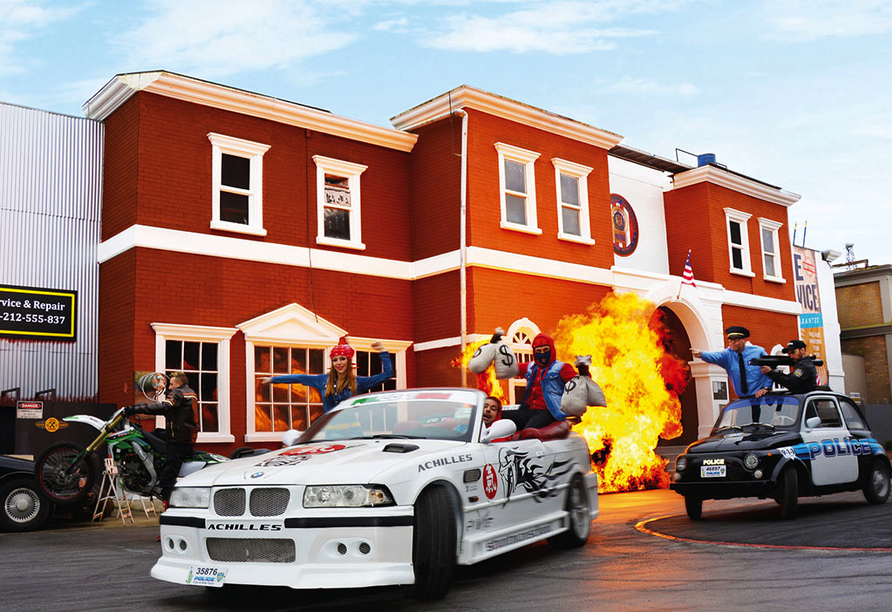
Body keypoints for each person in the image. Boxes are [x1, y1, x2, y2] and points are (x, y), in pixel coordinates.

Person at [260, 336, 394, 414]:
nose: (338, 363)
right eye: (335, 360)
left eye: (342, 359)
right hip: (330, 430)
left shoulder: (358, 382)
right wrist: (273, 379)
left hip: (352, 430)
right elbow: (299, 378)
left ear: (348, 361)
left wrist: (382, 351)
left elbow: (387, 374)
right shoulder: (323, 380)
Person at [123, 371, 198, 502]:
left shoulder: (179, 393)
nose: (169, 387)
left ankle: (169, 505)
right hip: (184, 437)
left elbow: (164, 407)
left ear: (179, 384)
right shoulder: (190, 393)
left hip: (178, 440)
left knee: (168, 476)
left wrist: (135, 409)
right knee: (156, 433)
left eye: (172, 384)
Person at [503, 332, 580, 431]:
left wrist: (583, 370)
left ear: (551, 349)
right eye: (539, 351)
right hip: (528, 410)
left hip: (547, 411)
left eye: (545, 350)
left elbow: (581, 384)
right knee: (498, 416)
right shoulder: (529, 367)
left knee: (528, 432)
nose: (542, 353)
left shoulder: (562, 368)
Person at [691, 326, 773, 398]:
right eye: (730, 340)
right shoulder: (727, 355)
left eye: (736, 340)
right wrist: (701, 354)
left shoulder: (758, 352)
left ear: (743, 340)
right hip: (743, 401)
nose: (732, 343)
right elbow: (715, 356)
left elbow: (772, 368)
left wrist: (766, 387)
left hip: (761, 398)